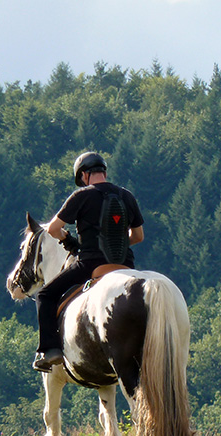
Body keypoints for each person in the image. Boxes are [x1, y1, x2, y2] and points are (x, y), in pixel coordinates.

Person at [32, 151, 145, 372]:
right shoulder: (127, 196)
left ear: (84, 175)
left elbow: (54, 229)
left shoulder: (81, 196)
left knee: (45, 295)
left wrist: (68, 240)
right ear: (103, 172)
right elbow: (139, 236)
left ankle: (50, 350)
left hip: (90, 265)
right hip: (125, 265)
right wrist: (118, 246)